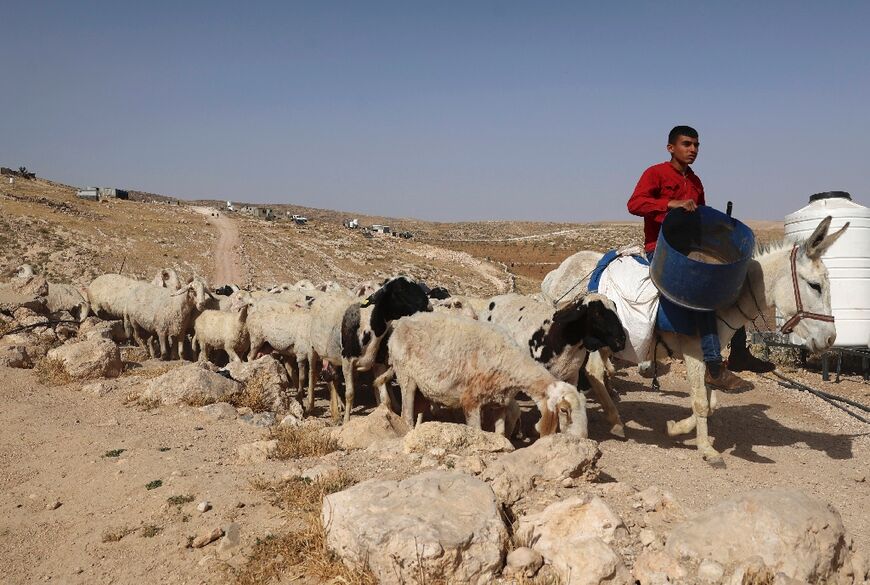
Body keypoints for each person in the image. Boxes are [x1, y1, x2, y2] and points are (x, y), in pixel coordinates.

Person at [627, 126, 769, 391]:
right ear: (671, 148)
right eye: (686, 144)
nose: (693, 149)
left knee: (732, 282)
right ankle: (714, 367)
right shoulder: (655, 173)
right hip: (661, 249)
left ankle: (740, 352)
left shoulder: (695, 181)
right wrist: (671, 204)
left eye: (696, 145)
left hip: (690, 253)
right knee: (703, 294)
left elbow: (700, 217)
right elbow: (635, 204)